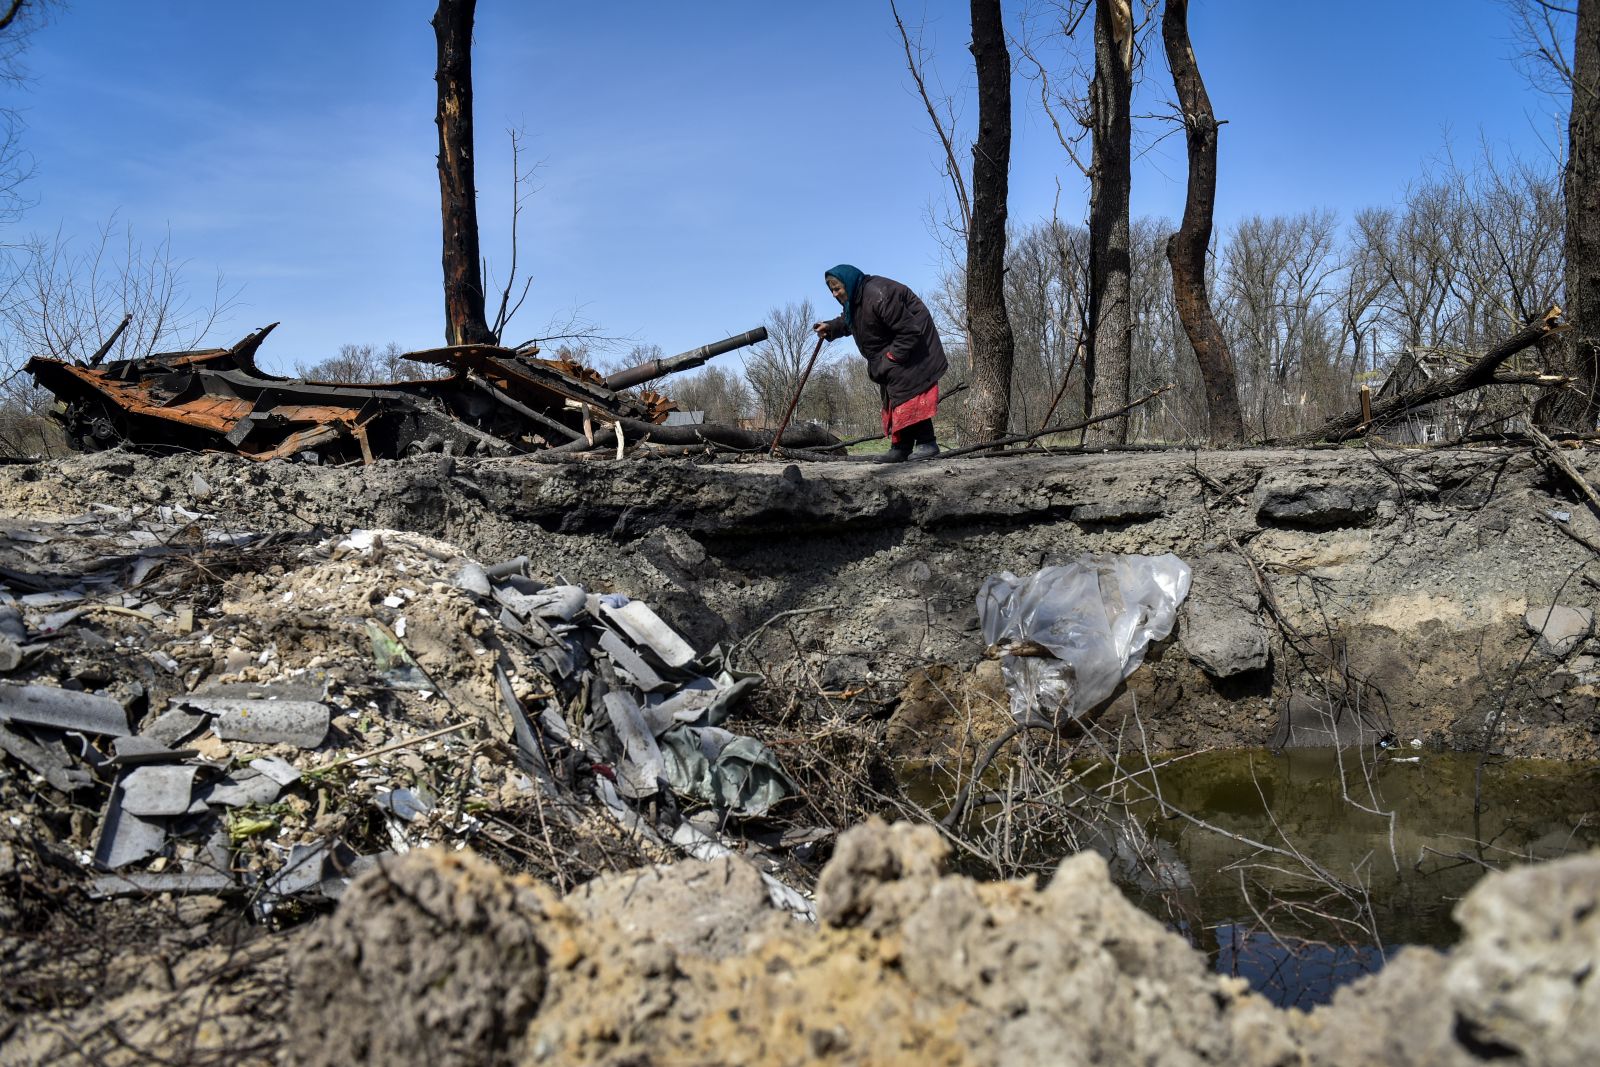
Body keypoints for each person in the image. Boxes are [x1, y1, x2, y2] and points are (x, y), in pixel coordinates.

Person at [813, 264, 948, 462]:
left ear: (848, 283)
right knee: (895, 397)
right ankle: (901, 447)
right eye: (831, 290)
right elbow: (851, 320)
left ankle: (928, 443)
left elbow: (909, 331)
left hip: (917, 348)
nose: (834, 294)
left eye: (837, 288)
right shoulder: (857, 300)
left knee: (909, 393)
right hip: (894, 350)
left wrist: (891, 358)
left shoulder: (879, 294)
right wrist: (832, 327)